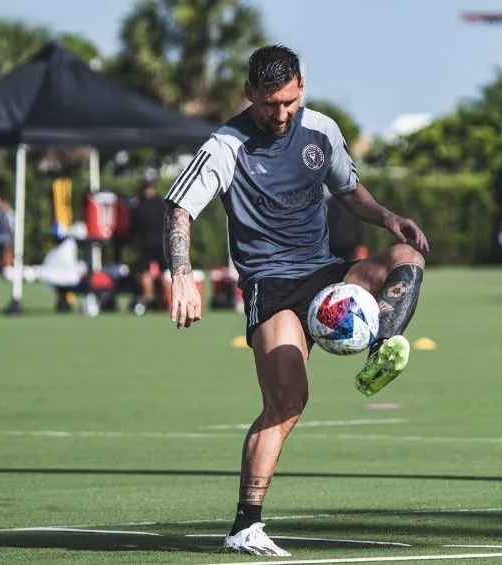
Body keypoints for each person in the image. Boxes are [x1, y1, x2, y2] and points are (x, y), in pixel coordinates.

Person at [162, 45, 428, 556]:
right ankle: (246, 524)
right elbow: (179, 209)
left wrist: (388, 217)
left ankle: (382, 348)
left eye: (287, 102)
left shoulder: (320, 131)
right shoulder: (225, 145)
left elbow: (348, 190)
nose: (280, 114)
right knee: (286, 404)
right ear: (249, 94)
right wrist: (181, 276)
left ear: (301, 86)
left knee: (404, 256)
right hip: (273, 288)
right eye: (268, 104)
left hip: (327, 276)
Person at [130, 175, 168, 309]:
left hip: (157, 243)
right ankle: (150, 301)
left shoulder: (138, 205)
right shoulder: (162, 204)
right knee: (146, 273)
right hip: (147, 243)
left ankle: (162, 300)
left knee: (164, 273)